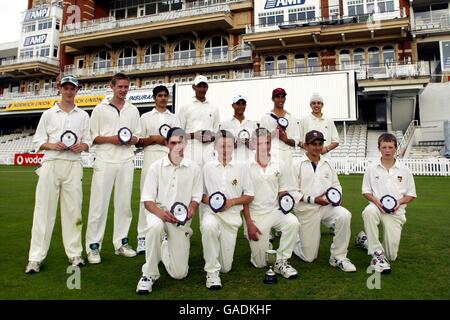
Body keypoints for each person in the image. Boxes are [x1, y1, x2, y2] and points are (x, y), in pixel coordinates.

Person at [25, 75, 91, 274]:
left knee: (74, 211)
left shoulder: (83, 115)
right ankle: (35, 258)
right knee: (43, 211)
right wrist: (52, 144)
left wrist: (83, 145)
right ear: (60, 89)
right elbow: (38, 141)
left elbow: (89, 141)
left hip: (73, 165)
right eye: (66, 88)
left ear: (77, 90)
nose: (69, 91)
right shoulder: (48, 114)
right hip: (51, 163)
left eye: (73, 88)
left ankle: (75, 254)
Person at [136, 127, 202, 294]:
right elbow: (147, 201)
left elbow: (196, 198)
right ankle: (149, 274)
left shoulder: (194, 168)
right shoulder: (155, 167)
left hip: (180, 219)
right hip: (157, 213)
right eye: (173, 143)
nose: (177, 146)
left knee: (179, 274)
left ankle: (165, 246)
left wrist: (192, 208)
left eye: (180, 142)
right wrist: (161, 214)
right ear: (166, 144)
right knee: (155, 227)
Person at [85, 73, 142, 264]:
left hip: (126, 159)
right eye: (120, 87)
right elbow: (93, 137)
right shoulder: (100, 109)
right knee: (98, 205)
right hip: (104, 159)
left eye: (126, 87)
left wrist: (130, 139)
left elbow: (137, 136)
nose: (123, 90)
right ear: (112, 87)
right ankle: (93, 247)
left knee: (124, 204)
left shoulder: (133, 110)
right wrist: (113, 139)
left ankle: (121, 243)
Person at [291, 130, 356, 272]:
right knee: (309, 257)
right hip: (306, 209)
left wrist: (337, 196)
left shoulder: (328, 163)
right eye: (313, 144)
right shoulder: (297, 164)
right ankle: (295, 239)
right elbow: (292, 192)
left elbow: (336, 184)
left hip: (326, 207)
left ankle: (338, 257)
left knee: (344, 214)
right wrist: (314, 199)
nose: (317, 147)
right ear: (306, 145)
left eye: (320, 144)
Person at [242, 128, 300, 279]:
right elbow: (244, 199)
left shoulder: (279, 163)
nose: (264, 146)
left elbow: (282, 190)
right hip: (255, 215)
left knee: (293, 222)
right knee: (259, 263)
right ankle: (265, 245)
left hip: (275, 211)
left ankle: (282, 260)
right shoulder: (245, 166)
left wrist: (285, 200)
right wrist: (249, 223)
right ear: (254, 144)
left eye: (267, 142)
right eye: (260, 143)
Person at [201, 130, 254, 289]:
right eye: (222, 146)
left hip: (231, 218)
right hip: (212, 214)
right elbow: (200, 195)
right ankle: (211, 271)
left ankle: (217, 262)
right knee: (208, 226)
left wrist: (231, 202)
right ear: (215, 146)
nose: (225, 149)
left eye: (229, 146)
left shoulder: (242, 167)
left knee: (226, 267)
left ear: (234, 147)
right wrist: (208, 200)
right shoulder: (207, 167)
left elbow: (250, 195)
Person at [356, 133, 416, 273]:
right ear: (379, 148)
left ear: (396, 149)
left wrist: (398, 202)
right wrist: (376, 201)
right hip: (377, 207)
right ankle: (376, 253)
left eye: (390, 147)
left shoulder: (404, 170)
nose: (387, 150)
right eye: (384, 147)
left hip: (396, 212)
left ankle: (364, 240)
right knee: (368, 212)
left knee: (391, 256)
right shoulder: (371, 168)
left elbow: (411, 194)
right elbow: (366, 191)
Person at [135, 85, 180, 255]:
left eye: (165, 95)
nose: (162, 98)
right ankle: (142, 237)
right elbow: (138, 141)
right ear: (154, 98)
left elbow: (179, 139)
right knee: (147, 195)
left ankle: (166, 234)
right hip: (150, 156)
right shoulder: (145, 117)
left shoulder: (174, 118)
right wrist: (153, 139)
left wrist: (169, 142)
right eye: (159, 95)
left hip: (169, 157)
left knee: (168, 195)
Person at [177, 75, 220, 167]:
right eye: (199, 86)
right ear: (194, 87)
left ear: (207, 88)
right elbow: (179, 134)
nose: (202, 89)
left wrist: (210, 137)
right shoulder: (185, 107)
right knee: (191, 179)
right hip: (190, 151)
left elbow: (216, 133)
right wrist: (194, 135)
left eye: (204, 86)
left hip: (208, 151)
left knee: (208, 179)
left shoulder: (214, 108)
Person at [259, 88, 299, 168]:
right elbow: (261, 140)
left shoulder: (291, 118)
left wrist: (286, 140)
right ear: (273, 99)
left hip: (287, 155)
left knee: (287, 180)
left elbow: (297, 140)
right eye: (277, 97)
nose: (280, 99)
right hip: (272, 154)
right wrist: (273, 134)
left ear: (285, 98)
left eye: (282, 97)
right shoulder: (265, 117)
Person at [220, 95, 257, 162]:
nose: (241, 106)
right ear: (233, 105)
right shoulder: (225, 124)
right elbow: (220, 145)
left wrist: (249, 144)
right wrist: (234, 144)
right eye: (238, 104)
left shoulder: (253, 124)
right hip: (232, 162)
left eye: (243, 104)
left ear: (245, 105)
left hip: (250, 162)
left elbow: (258, 146)